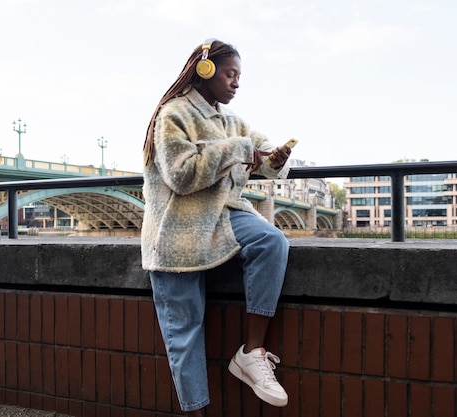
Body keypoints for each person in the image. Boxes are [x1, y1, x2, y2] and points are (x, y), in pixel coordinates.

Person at [141, 38, 292, 416]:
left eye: (239, 76)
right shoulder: (172, 115)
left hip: (223, 218)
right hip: (175, 234)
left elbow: (261, 155)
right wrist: (239, 149)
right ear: (204, 70)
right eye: (230, 74)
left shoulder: (232, 122)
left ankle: (252, 352)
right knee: (185, 336)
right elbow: (181, 175)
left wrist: (275, 158)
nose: (237, 82)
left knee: (272, 242)